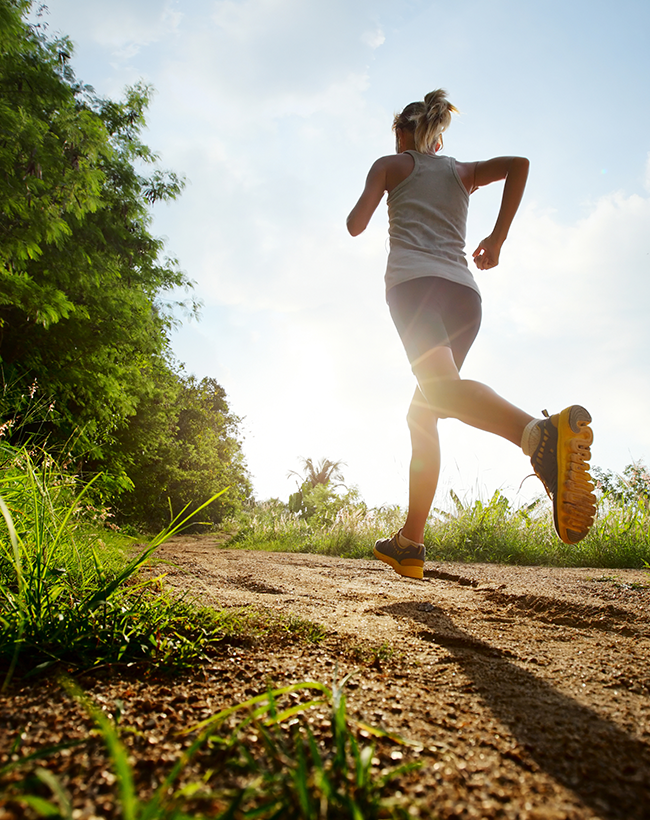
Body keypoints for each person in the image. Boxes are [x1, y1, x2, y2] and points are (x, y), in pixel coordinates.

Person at [346, 89, 596, 581]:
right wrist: (497, 237)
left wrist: (380, 184)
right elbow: (519, 164)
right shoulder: (461, 171)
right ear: (437, 140)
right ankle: (410, 542)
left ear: (402, 134)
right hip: (464, 295)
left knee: (438, 394)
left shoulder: (390, 164)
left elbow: (356, 225)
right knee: (425, 410)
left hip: (414, 287)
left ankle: (539, 435)